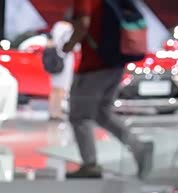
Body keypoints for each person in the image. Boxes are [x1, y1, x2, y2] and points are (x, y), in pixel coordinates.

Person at [63, 0, 154, 179]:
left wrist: (69, 45)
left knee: (80, 117)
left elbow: (83, 24)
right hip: (114, 64)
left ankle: (90, 164)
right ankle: (138, 147)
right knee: (102, 113)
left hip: (94, 66)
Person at [48, 15, 75, 121]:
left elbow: (53, 41)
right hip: (65, 60)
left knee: (54, 88)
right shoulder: (70, 28)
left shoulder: (57, 25)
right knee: (61, 88)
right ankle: (58, 112)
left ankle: (51, 112)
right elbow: (75, 46)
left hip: (55, 59)